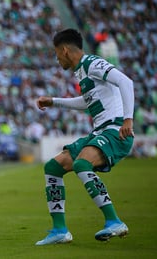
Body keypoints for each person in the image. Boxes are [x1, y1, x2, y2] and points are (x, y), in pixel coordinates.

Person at [35, 28, 134, 245]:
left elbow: (126, 82)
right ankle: (60, 230)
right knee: (53, 167)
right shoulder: (82, 71)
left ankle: (114, 221)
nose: (57, 58)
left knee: (82, 163)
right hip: (100, 132)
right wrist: (54, 101)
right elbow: (87, 101)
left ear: (64, 50)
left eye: (56, 54)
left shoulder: (92, 63)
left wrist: (128, 119)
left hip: (115, 130)